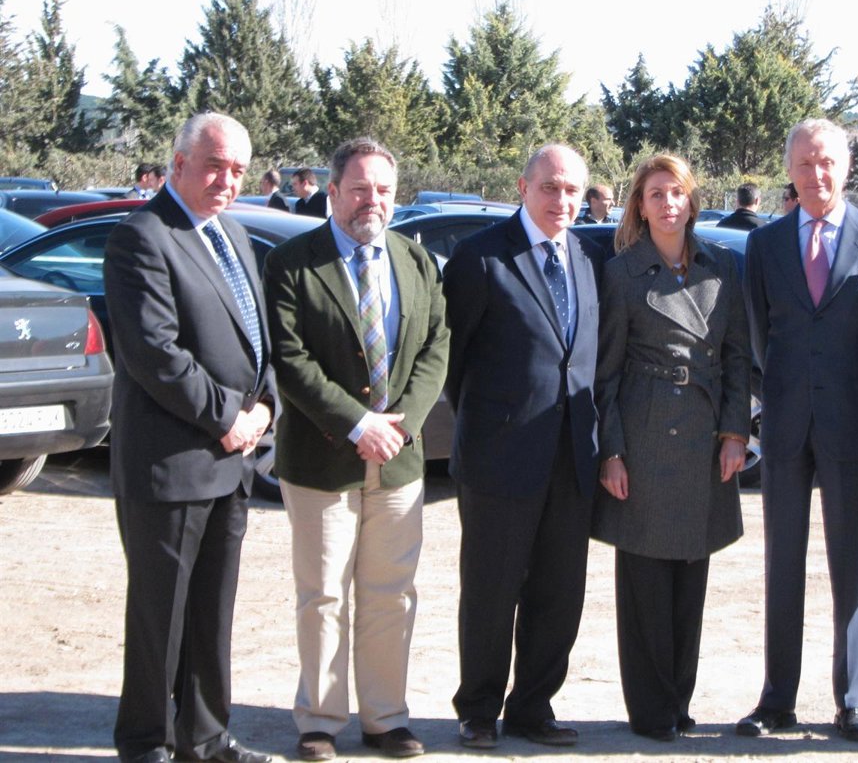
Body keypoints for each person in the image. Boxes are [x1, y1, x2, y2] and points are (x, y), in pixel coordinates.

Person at [263, 138, 450, 761]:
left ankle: (385, 719)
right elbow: (290, 358)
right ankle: (319, 721)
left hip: (398, 461)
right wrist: (356, 423)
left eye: (385, 190)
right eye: (361, 189)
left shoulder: (416, 260)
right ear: (334, 191)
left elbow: (437, 346)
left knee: (390, 593)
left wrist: (401, 424)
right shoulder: (293, 262)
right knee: (322, 595)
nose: (374, 200)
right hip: (323, 459)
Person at [104, 113, 274, 763]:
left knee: (211, 613)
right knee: (161, 617)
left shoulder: (235, 235)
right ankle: (146, 742)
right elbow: (155, 354)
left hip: (233, 464)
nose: (226, 180)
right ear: (177, 165)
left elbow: (258, 341)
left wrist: (266, 408)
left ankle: (205, 737)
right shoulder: (141, 237)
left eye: (238, 170)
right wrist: (230, 417)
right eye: (214, 166)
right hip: (171, 464)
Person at [738, 118, 858, 743]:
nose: (816, 174)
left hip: (849, 423)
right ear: (790, 170)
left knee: (849, 564)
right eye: (805, 163)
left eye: (827, 161)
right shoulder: (765, 244)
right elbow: (759, 336)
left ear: (846, 167)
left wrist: (849, 390)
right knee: (782, 563)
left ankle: (851, 701)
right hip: (784, 424)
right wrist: (783, 393)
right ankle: (776, 699)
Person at [442, 144, 606, 750]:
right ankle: (478, 710)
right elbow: (454, 365)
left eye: (572, 190)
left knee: (558, 593)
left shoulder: (588, 259)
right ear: (523, 186)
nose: (562, 200)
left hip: (572, 457)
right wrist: (494, 424)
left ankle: (533, 707)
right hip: (499, 459)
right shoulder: (481, 257)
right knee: (491, 590)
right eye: (550, 187)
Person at [592, 154, 751, 742]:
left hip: (705, 438)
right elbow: (605, 374)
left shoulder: (722, 266)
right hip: (645, 433)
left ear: (692, 201)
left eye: (677, 192)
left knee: (690, 581)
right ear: (640, 204)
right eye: (656, 194)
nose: (668, 204)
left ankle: (679, 702)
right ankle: (651, 709)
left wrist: (735, 433)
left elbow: (737, 357)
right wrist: (611, 451)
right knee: (645, 584)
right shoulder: (622, 273)